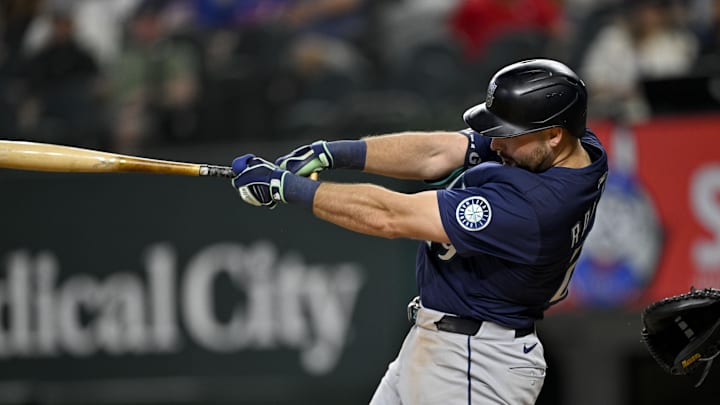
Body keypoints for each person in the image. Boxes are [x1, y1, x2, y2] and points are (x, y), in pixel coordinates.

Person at [229, 59, 609, 404]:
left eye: (507, 134)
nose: (495, 144)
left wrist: (287, 188)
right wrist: (332, 152)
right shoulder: (575, 149)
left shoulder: (534, 208)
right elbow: (437, 152)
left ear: (555, 135)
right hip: (447, 345)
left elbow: (391, 216)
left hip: (474, 364)